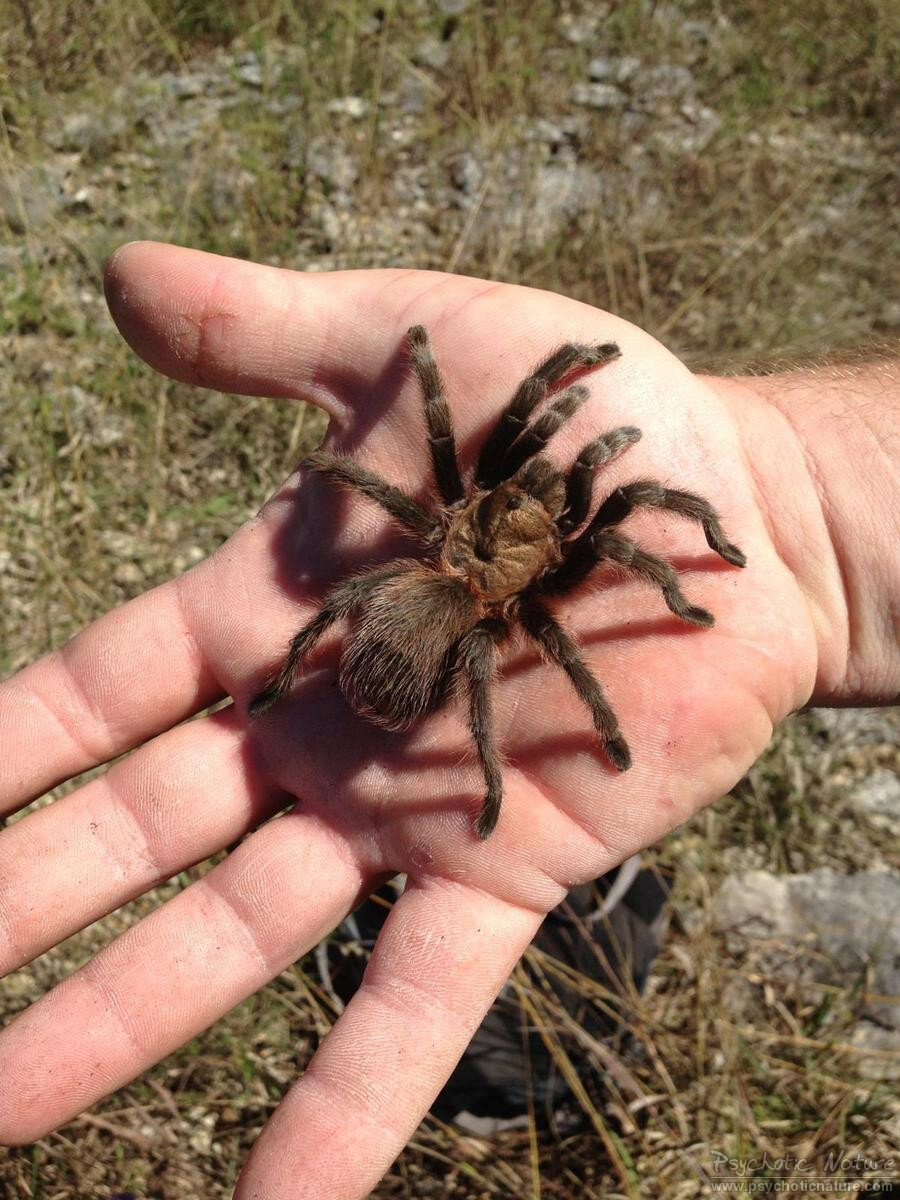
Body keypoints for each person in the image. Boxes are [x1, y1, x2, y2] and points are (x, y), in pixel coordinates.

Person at [0, 241, 896, 1200]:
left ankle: (299, 684)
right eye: (518, 497)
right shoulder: (525, 553)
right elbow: (570, 487)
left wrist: (768, 518)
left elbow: (501, 459)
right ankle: (388, 723)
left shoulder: (439, 528)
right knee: (578, 518)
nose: (531, 496)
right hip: (441, 618)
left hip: (421, 599)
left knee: (454, 561)